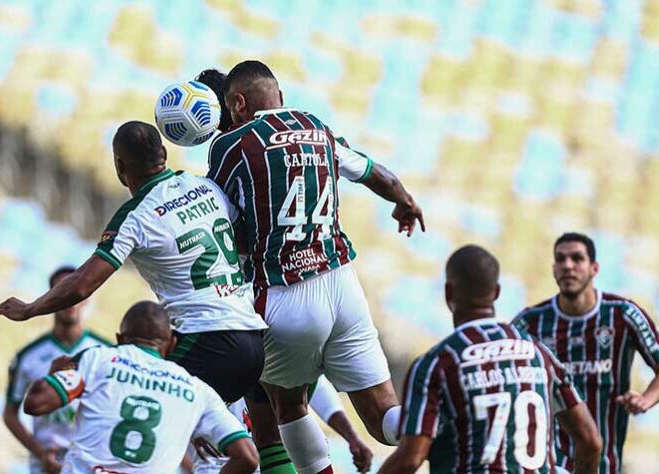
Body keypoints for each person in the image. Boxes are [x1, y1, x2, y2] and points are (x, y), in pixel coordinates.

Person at [205, 59, 424, 474]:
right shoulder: (317, 127)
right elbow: (373, 172)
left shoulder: (231, 145)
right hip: (343, 285)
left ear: (236, 103)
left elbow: (222, 218)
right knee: (384, 418)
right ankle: (448, 426)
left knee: (287, 405)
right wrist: (404, 201)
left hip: (284, 293)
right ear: (280, 98)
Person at [0, 121, 268, 407]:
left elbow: (83, 284)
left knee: (139, 403)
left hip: (208, 341)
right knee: (254, 437)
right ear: (164, 154)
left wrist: (31, 309)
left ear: (120, 166)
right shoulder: (204, 186)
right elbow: (244, 243)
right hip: (255, 338)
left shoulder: (136, 217)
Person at [379, 245, 602, 474]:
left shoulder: (437, 364)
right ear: (496, 292)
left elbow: (410, 459)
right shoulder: (541, 355)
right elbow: (590, 442)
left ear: (448, 293)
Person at [22, 301, 259, 473]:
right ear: (172, 344)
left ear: (119, 339)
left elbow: (36, 403)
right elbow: (248, 457)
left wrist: (56, 374)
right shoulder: (198, 390)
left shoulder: (99, 360)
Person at [513, 232, 659, 473]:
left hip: (605, 465)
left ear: (594, 268)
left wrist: (645, 400)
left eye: (577, 258)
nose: (568, 265)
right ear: (553, 269)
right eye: (561, 259)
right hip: (551, 464)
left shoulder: (623, 314)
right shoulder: (530, 322)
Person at [2, 266, 113, 474]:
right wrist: (40, 453)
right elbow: (10, 414)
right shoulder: (28, 356)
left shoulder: (107, 353)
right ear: (51, 298)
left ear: (87, 297)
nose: (70, 302)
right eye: (63, 292)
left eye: (76, 293)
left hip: (89, 464)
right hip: (44, 466)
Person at [187, 376, 374, 473]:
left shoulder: (277, 352)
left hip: (272, 464)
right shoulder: (205, 357)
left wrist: (352, 436)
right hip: (220, 467)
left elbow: (320, 391)